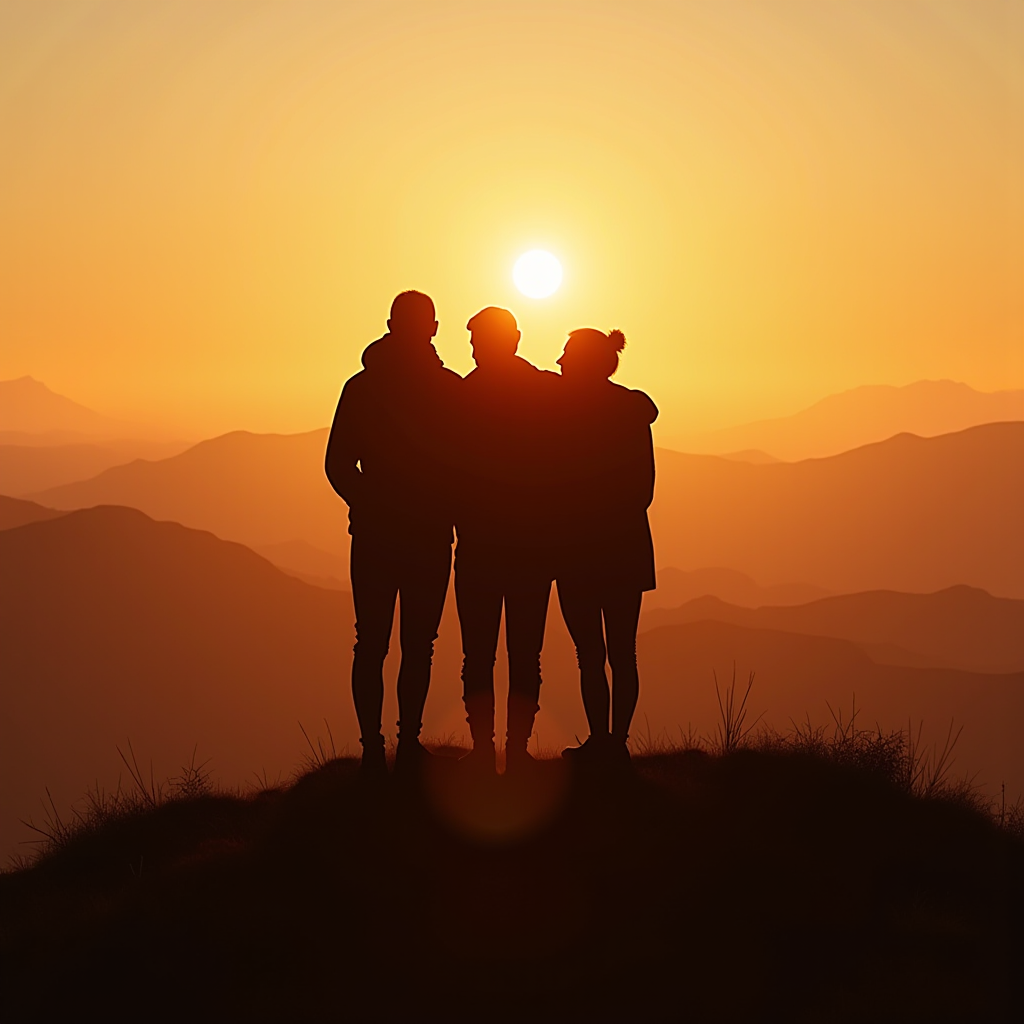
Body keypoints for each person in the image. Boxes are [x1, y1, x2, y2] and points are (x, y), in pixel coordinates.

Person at [325, 291, 461, 777]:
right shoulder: (447, 389)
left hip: (382, 535)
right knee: (408, 644)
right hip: (421, 533)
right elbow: (465, 466)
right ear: (434, 328)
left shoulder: (362, 387)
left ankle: (375, 749)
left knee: (374, 643)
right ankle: (399, 746)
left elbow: (339, 465)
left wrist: (367, 503)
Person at [453, 307, 560, 775]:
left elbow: (444, 467)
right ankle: (515, 751)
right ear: (515, 339)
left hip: (480, 543)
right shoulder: (543, 391)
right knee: (524, 653)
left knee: (479, 653)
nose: (474, 349)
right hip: (530, 544)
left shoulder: (461, 396)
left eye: (477, 341)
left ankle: (485, 749)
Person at [554, 328, 657, 765]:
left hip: (578, 550)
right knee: (622, 651)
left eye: (567, 355)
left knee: (591, 654)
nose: (559, 362)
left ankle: (603, 740)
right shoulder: (631, 411)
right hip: (625, 548)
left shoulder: (559, 412)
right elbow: (644, 490)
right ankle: (615, 742)